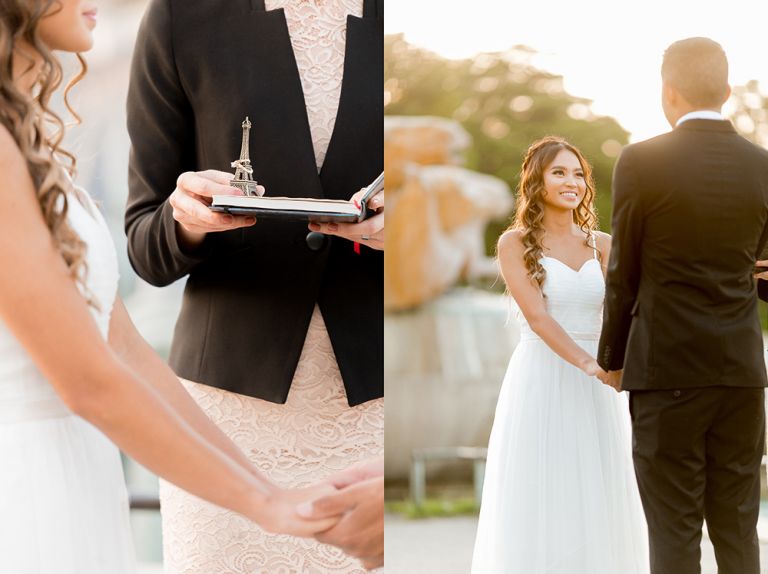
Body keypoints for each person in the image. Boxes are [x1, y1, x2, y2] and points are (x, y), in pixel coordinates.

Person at [0, 1, 341, 572]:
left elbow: (126, 352)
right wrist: (269, 506)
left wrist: (268, 486)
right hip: (28, 479)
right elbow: (90, 383)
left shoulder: (25, 143)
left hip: (81, 474)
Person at [124, 0, 384, 571]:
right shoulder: (180, 16)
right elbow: (144, 242)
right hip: (225, 422)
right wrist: (186, 220)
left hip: (380, 415)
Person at [598, 37, 768, 574]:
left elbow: (623, 270)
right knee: (739, 526)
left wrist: (612, 357)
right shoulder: (762, 165)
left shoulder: (642, 161)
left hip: (666, 367)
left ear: (667, 92)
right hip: (741, 370)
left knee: (673, 530)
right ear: (728, 91)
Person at [471, 136, 649, 574]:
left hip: (603, 382)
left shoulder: (602, 244)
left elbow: (641, 302)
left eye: (577, 174)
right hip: (544, 376)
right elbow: (538, 318)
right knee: (545, 483)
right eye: (559, 172)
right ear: (537, 181)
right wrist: (592, 366)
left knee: (598, 482)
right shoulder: (514, 244)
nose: (571, 182)